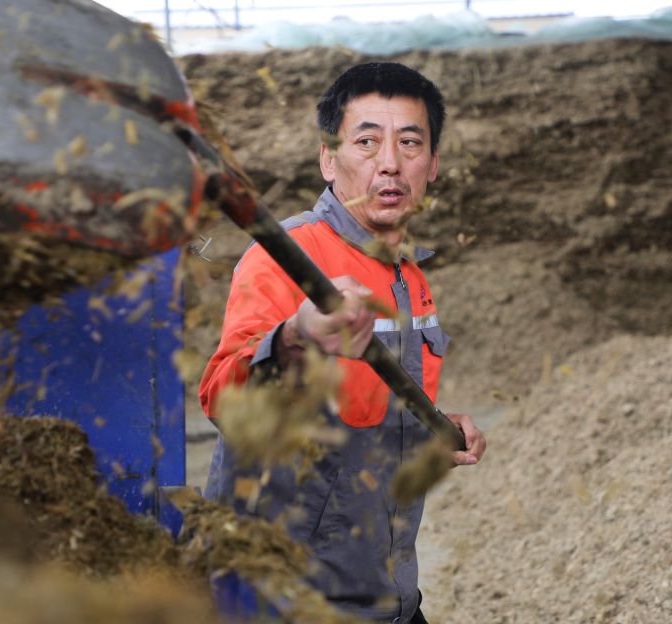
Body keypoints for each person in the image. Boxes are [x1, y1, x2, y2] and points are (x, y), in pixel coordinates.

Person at [198, 62, 486, 624]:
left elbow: (369, 410)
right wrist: (294, 339)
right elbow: (221, 400)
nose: (390, 162)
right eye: (366, 141)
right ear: (329, 160)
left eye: (410, 143)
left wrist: (434, 429)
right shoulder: (285, 258)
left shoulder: (409, 278)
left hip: (386, 595)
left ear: (433, 165)